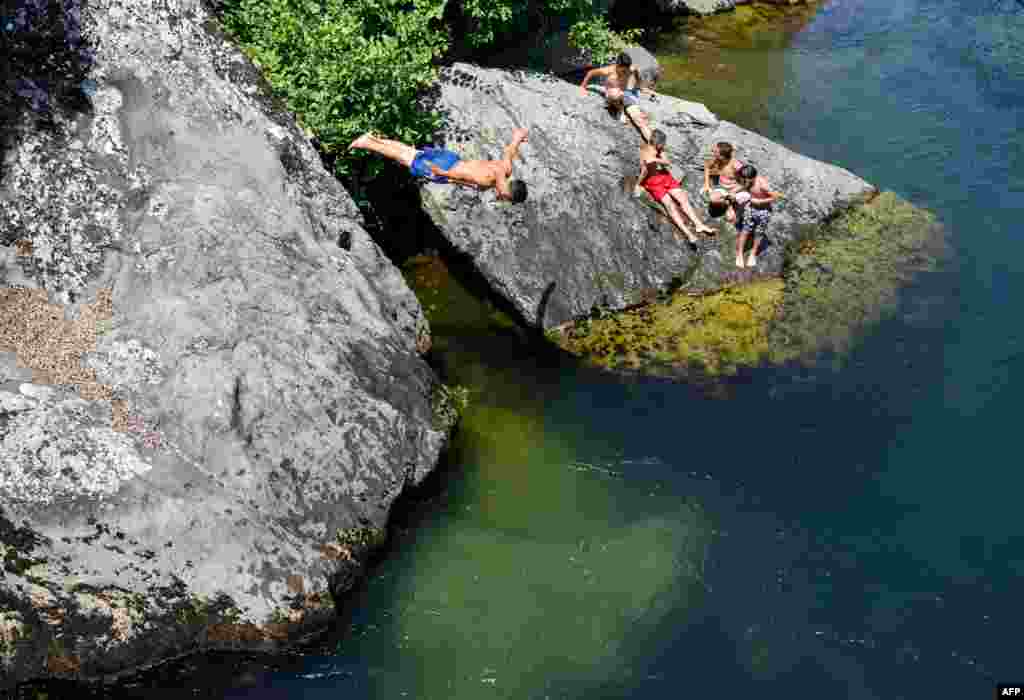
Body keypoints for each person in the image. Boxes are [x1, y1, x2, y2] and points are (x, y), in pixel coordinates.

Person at [348, 129, 529, 203]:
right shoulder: (487, 179)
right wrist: (440, 172)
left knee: (410, 153)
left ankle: (373, 139)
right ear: (507, 192)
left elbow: (510, 148)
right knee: (406, 158)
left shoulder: (506, 169)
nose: (502, 199)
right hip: (444, 168)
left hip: (451, 159)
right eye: (506, 198)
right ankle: (367, 143)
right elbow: (459, 177)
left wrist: (519, 136)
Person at [637, 130, 716, 249]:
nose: (664, 146)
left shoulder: (659, 150)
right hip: (652, 182)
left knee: (683, 198)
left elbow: (667, 162)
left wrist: (656, 160)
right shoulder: (645, 153)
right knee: (670, 205)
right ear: (658, 143)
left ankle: (699, 225)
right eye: (663, 144)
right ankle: (688, 234)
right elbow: (644, 172)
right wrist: (638, 184)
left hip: (664, 176)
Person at [579, 52, 654, 142]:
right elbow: (591, 73)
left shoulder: (631, 69)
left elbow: (637, 74)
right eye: (623, 69)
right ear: (618, 65)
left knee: (639, 119)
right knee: (616, 94)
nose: (625, 71)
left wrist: (640, 87)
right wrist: (583, 87)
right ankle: (620, 111)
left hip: (624, 96)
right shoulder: (608, 70)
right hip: (612, 96)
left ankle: (652, 143)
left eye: (626, 69)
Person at [727, 164, 782, 268]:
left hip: (764, 211)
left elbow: (775, 196)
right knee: (745, 230)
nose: (743, 181)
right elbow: (742, 187)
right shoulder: (747, 181)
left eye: (744, 180)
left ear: (751, 178)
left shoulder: (762, 184)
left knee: (759, 232)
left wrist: (760, 201)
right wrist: (732, 193)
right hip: (751, 208)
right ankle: (739, 254)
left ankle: (752, 254)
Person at [702, 142, 744, 222]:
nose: (712, 151)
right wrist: (707, 184)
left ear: (722, 156)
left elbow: (745, 183)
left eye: (715, 152)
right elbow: (707, 167)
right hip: (722, 188)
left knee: (730, 218)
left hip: (732, 191)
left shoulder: (736, 166)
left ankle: (729, 204)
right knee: (710, 198)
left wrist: (733, 191)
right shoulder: (717, 160)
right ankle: (727, 204)